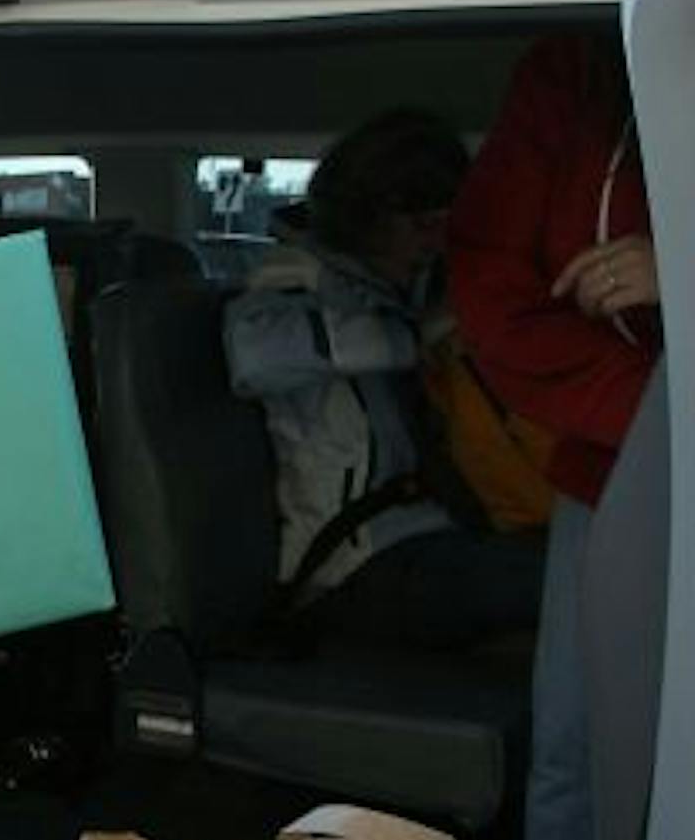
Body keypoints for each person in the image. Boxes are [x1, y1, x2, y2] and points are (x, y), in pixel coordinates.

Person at [449, 34, 664, 840]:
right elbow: (495, 299)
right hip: (612, 467)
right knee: (573, 755)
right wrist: (662, 413)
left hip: (622, 436)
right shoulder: (572, 74)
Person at [224, 109, 544, 651]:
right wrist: (413, 338)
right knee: (565, 580)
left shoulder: (405, 287)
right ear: (366, 216)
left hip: (435, 534)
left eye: (446, 225)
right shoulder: (290, 284)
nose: (434, 244)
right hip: (350, 568)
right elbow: (255, 357)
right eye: (421, 226)